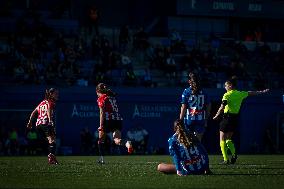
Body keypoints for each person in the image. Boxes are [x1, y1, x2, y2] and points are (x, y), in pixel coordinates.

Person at [213, 76, 269, 164]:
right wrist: (261, 92)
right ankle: (234, 154)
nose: (225, 87)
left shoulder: (227, 94)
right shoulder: (240, 93)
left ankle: (226, 159)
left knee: (222, 139)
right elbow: (251, 93)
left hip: (227, 117)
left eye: (226, 85)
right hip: (235, 118)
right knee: (228, 139)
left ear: (230, 85)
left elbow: (222, 106)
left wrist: (216, 115)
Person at [96, 83, 133, 164]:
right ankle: (127, 143)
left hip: (108, 119)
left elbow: (102, 113)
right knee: (116, 140)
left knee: (101, 140)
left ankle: (102, 159)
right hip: (118, 119)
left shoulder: (101, 98)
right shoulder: (112, 97)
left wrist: (101, 126)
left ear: (98, 91)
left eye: (97, 93)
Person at [26, 88, 59, 165]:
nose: (57, 95)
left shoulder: (42, 102)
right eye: (56, 93)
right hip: (45, 123)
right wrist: (50, 120)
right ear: (51, 94)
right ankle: (51, 157)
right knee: (52, 141)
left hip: (38, 125)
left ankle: (51, 156)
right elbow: (49, 109)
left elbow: (33, 112)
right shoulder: (51, 102)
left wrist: (30, 122)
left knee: (49, 140)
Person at [179, 72, 211, 141]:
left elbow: (183, 107)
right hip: (200, 119)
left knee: (188, 141)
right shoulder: (204, 92)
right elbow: (208, 107)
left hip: (189, 118)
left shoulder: (186, 91)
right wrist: (206, 119)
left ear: (189, 81)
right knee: (198, 142)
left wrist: (180, 120)